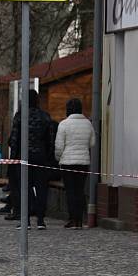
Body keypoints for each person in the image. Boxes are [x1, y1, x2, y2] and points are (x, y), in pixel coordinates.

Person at [8, 89, 55, 230]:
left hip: (23, 158)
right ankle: (40, 220)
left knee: (24, 188)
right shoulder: (45, 117)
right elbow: (50, 141)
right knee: (41, 189)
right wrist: (48, 157)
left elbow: (14, 139)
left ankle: (26, 220)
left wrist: (13, 158)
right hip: (40, 157)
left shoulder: (20, 116)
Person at [55, 98, 95, 229]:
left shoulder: (63, 124)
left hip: (67, 162)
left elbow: (59, 146)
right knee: (80, 190)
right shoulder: (88, 124)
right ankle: (80, 219)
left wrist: (58, 158)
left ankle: (72, 219)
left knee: (70, 191)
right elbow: (92, 143)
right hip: (83, 162)